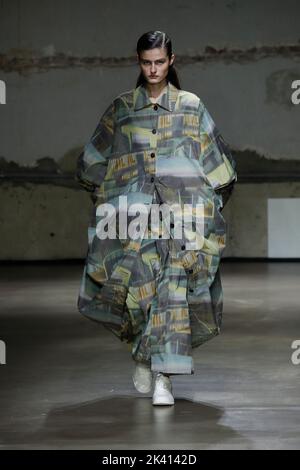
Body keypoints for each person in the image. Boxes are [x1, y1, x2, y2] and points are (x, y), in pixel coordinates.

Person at [75, 31, 237, 406]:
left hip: (181, 224)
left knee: (173, 292)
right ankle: (143, 355)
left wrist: (204, 206)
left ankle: (164, 376)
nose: (153, 69)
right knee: (138, 294)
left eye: (159, 62)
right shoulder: (122, 109)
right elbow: (90, 164)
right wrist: (112, 198)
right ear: (138, 61)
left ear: (171, 60)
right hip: (131, 223)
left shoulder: (191, 107)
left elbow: (222, 166)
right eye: (147, 62)